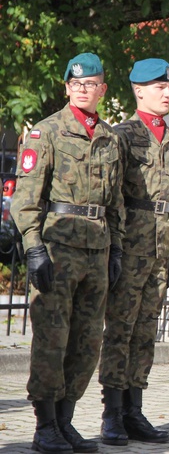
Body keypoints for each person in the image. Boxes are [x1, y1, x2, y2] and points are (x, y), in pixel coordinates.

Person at [11, 52, 125, 453]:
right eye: (75, 84)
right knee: (51, 339)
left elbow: (117, 203)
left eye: (90, 83)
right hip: (57, 249)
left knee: (87, 340)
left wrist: (117, 250)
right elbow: (24, 199)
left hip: (97, 248)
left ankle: (66, 419)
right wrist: (33, 248)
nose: (82, 89)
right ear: (66, 88)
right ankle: (45, 425)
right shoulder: (46, 132)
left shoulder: (110, 138)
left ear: (102, 89)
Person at [98, 59, 169, 446]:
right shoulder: (122, 136)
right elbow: (113, 198)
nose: (167, 93)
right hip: (131, 245)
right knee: (121, 330)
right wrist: (114, 248)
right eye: (158, 87)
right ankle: (112, 413)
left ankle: (135, 409)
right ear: (139, 91)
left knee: (146, 330)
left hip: (161, 248)